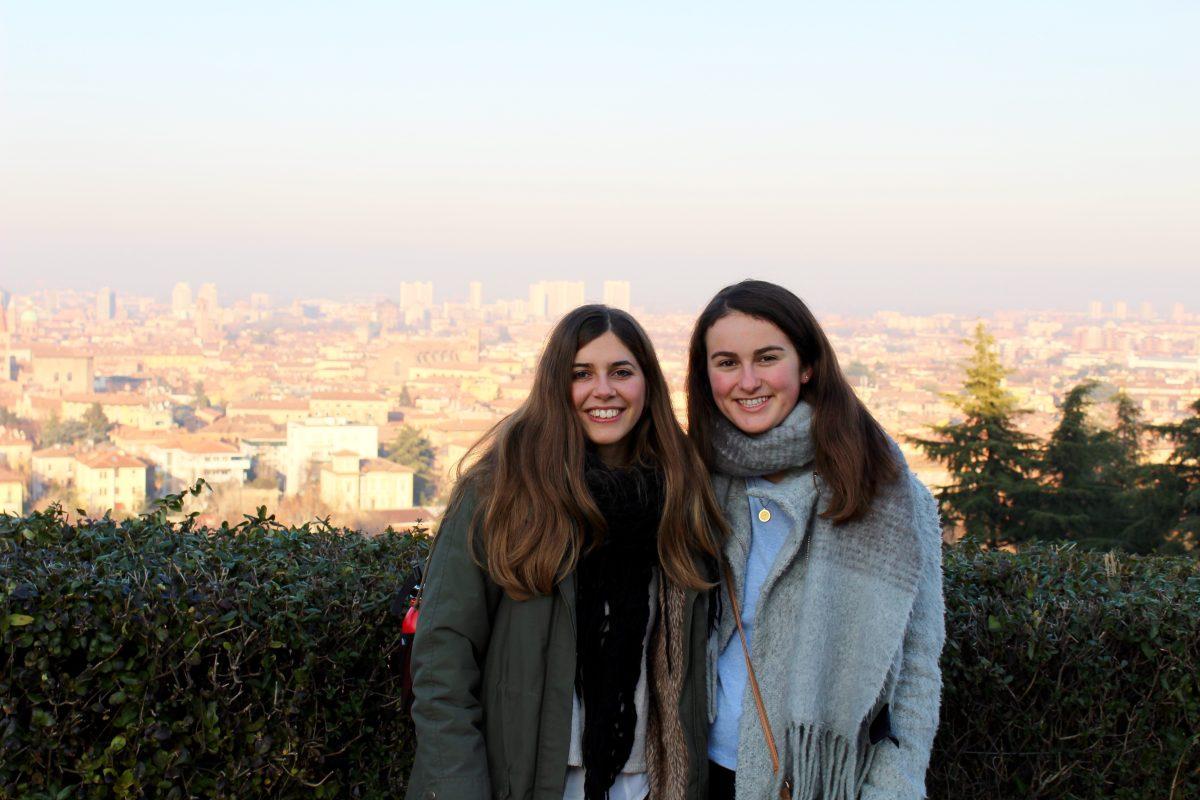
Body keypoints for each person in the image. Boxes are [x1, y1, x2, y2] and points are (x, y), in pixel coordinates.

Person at [406, 305, 726, 800]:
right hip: (534, 777)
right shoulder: (501, 492)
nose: (604, 390)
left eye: (622, 372)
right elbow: (444, 656)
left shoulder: (685, 491)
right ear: (556, 385)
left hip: (656, 781)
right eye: (581, 374)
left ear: (648, 384)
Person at [686, 280, 945, 800]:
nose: (749, 380)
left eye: (767, 358)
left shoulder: (881, 488)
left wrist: (892, 789)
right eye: (727, 362)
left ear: (806, 366)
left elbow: (917, 666)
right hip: (698, 769)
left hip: (820, 779)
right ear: (705, 374)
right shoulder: (696, 479)